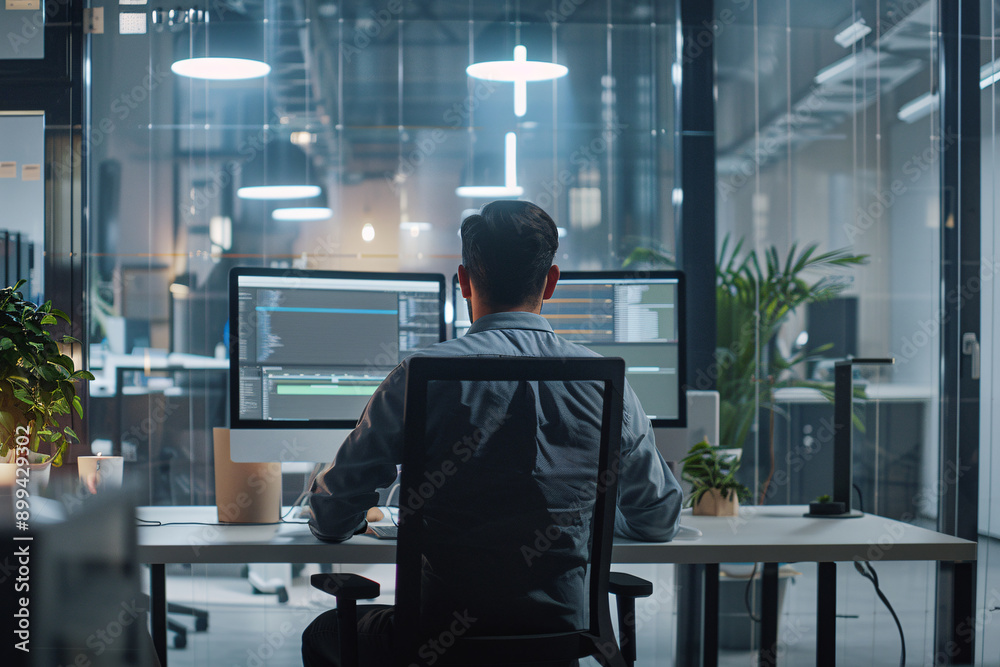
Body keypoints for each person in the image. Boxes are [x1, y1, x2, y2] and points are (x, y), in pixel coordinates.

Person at [302, 200, 682, 667]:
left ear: (462, 281)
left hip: (437, 642)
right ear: (552, 282)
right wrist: (588, 522)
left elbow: (330, 515)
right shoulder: (607, 384)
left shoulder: (419, 377)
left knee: (323, 630)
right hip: (561, 640)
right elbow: (659, 519)